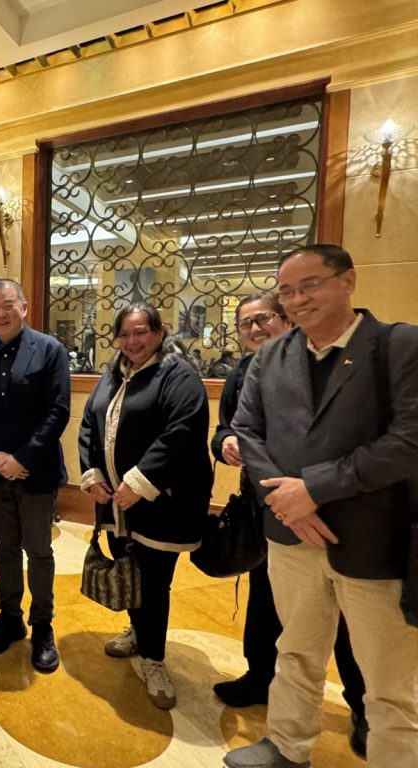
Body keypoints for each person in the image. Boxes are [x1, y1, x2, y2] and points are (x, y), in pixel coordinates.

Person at [224, 244, 418, 768]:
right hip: (290, 533)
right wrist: (287, 502)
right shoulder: (271, 356)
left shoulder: (399, 346)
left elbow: (409, 441)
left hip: (373, 541)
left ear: (347, 280)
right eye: (287, 290)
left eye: (309, 285)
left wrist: (313, 489)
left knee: (390, 683)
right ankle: (288, 746)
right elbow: (247, 431)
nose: (297, 299)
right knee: (296, 650)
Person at [210, 292, 369, 753]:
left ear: (285, 319)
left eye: (262, 319)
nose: (254, 330)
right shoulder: (242, 371)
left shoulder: (327, 364)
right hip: (265, 508)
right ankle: (259, 676)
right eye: (244, 324)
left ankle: (362, 706)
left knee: (346, 617)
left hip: (330, 509)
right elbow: (228, 430)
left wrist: (310, 492)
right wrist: (225, 443)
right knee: (266, 599)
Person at [78, 303, 211, 710]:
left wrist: (139, 483)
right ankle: (138, 632)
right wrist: (93, 474)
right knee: (129, 571)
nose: (132, 341)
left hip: (160, 502)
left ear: (159, 332)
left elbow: (182, 433)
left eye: (141, 332)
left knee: (153, 582)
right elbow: (89, 423)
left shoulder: (178, 374)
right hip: (117, 504)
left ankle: (154, 659)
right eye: (124, 334)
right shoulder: (113, 373)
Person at [0, 278, 69, 673]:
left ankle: (42, 624)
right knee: (5, 548)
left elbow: (57, 411)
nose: (0, 313)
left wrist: (21, 458)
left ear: (23, 306)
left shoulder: (49, 349)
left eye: (8, 304)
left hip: (35, 472)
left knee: (38, 551)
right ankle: (10, 616)